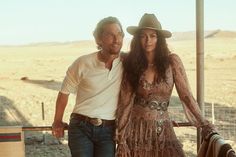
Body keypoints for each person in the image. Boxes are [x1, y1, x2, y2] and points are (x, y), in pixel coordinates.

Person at [115, 13, 216, 157]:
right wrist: (122, 140)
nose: (148, 40)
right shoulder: (131, 63)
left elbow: (186, 96)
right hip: (136, 130)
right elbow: (125, 102)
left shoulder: (172, 62)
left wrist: (204, 124)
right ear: (138, 39)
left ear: (159, 39)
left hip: (163, 129)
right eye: (143, 35)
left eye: (153, 35)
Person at [52, 16, 124, 157]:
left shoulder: (127, 63)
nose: (116, 39)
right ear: (98, 39)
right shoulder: (82, 63)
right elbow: (64, 93)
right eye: (110, 35)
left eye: (119, 34)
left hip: (108, 130)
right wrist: (57, 121)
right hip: (81, 127)